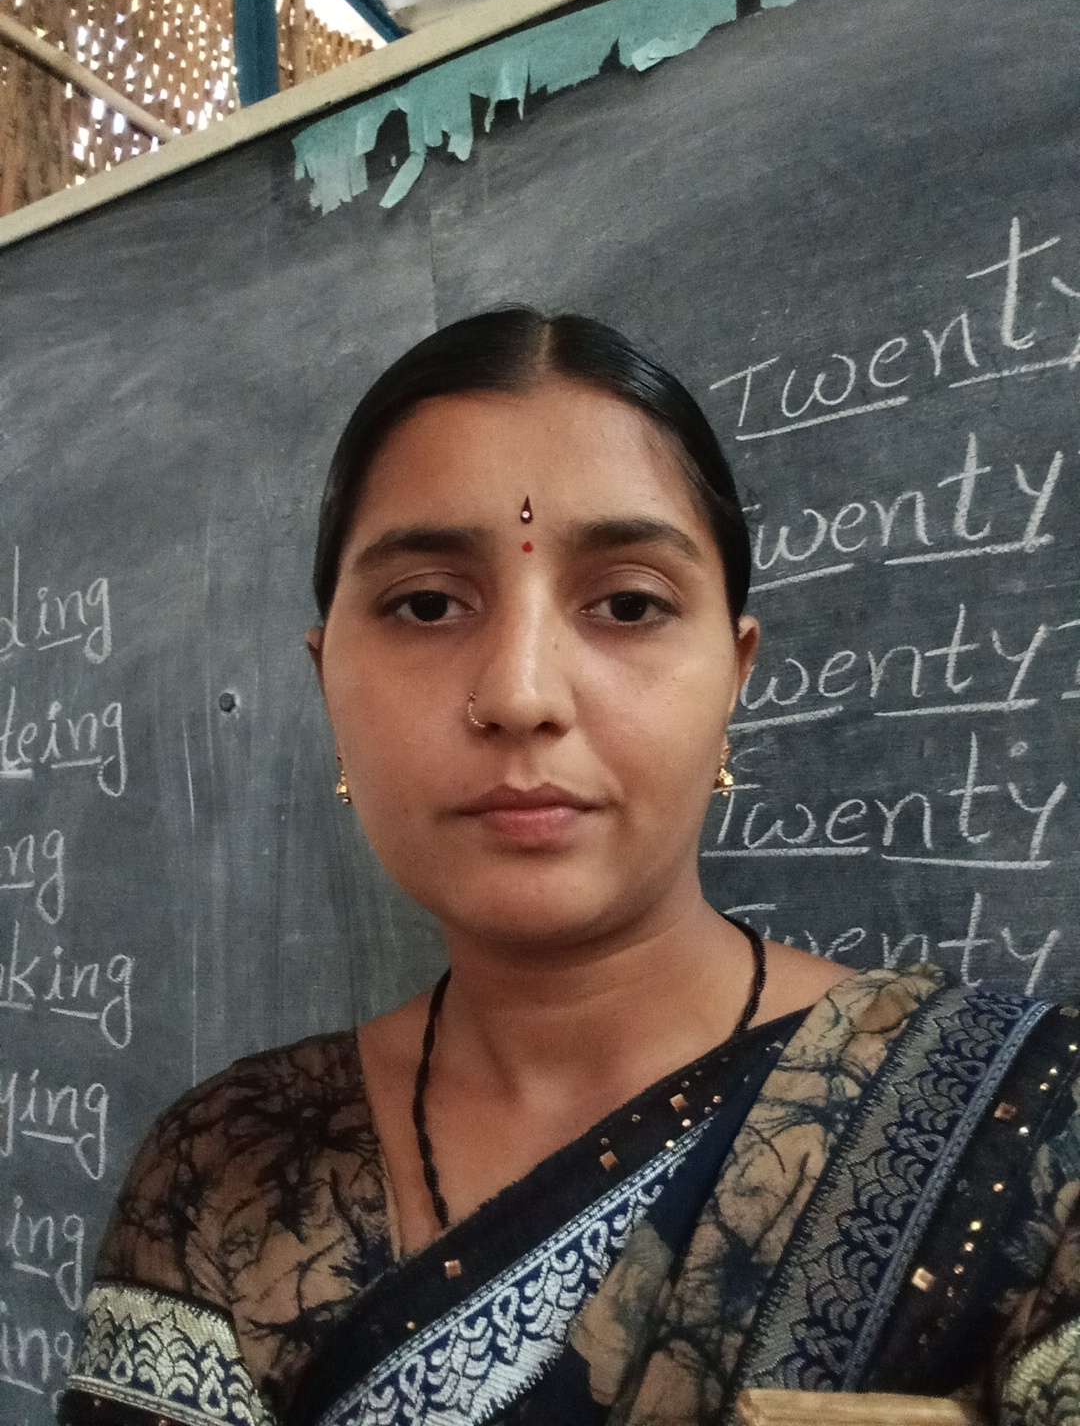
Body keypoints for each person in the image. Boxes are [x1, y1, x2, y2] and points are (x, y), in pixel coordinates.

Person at [59, 309, 1080, 1426]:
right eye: (427, 605)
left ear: (735, 676)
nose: (521, 694)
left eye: (629, 605)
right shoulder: (224, 1171)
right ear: (326, 681)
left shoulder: (1023, 1126)